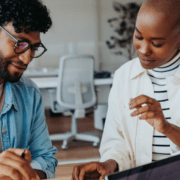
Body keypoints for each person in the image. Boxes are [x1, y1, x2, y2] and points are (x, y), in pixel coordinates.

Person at [71, 0, 180, 179]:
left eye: (157, 43)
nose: (144, 50)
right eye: (138, 37)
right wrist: (109, 164)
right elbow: (116, 140)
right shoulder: (124, 76)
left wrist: (167, 128)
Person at [0, 0, 58, 179]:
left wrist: (28, 175)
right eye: (20, 43)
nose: (27, 59)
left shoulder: (29, 93)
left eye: (33, 48)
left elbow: (46, 158)